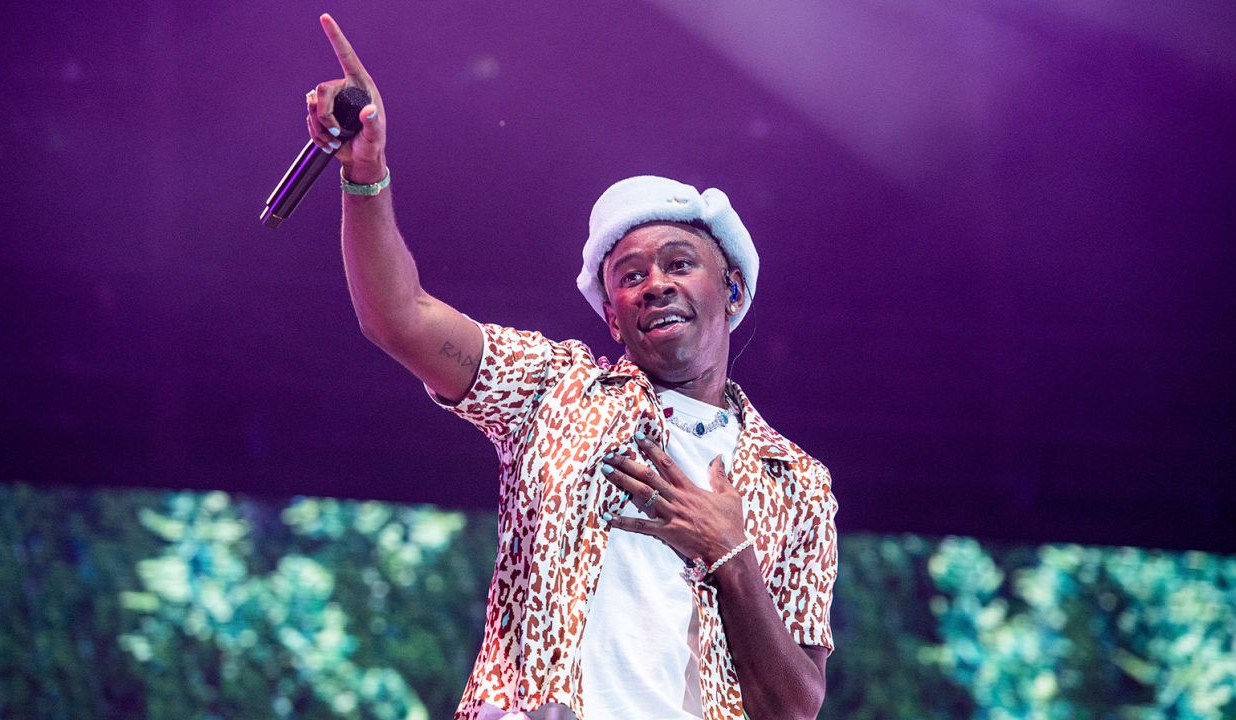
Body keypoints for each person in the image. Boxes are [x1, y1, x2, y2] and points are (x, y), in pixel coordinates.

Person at [305, 14, 837, 720]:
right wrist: (367, 175)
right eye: (630, 275)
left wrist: (730, 553)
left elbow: (794, 709)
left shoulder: (795, 481)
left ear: (731, 288)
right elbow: (397, 317)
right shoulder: (553, 390)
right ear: (613, 316)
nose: (656, 283)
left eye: (680, 263)